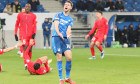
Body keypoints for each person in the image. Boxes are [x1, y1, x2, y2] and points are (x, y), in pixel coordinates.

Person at [52, 1, 75, 84]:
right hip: (56, 38)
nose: (66, 5)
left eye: (68, 5)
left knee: (69, 57)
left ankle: (67, 78)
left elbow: (69, 28)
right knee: (60, 57)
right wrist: (59, 34)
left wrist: (68, 33)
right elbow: (56, 26)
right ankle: (61, 79)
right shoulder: (58, 15)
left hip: (65, 39)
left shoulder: (70, 19)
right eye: (65, 4)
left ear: (70, 8)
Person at [15, 3, 37, 69]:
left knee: (30, 50)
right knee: (25, 49)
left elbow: (35, 25)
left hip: (31, 35)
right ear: (24, 8)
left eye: (28, 7)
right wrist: (15, 33)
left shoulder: (33, 15)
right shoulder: (20, 15)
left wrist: (34, 33)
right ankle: (26, 64)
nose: (27, 8)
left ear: (30, 8)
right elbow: (16, 24)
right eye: (26, 7)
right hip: (23, 35)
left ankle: (29, 62)